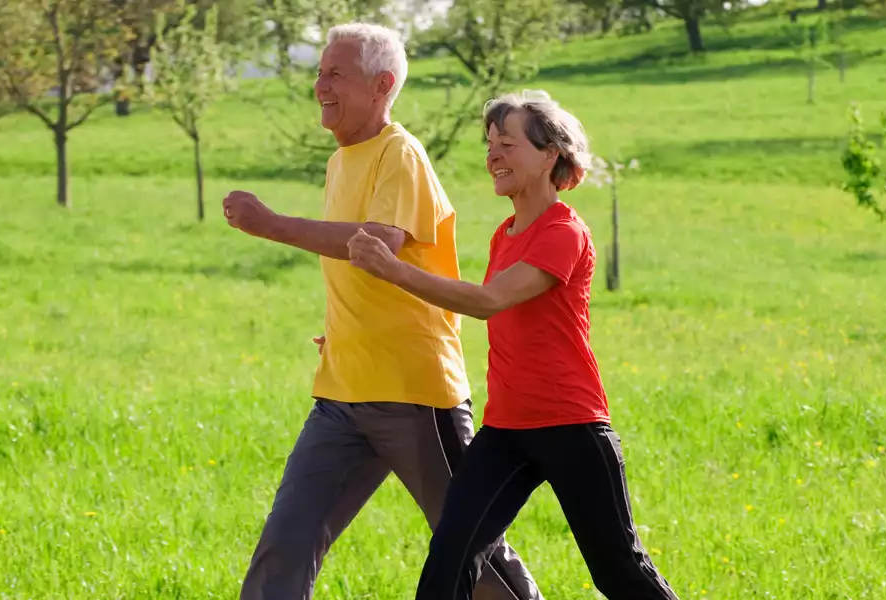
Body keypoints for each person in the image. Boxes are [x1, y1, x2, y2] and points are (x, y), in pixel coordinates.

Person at [221, 23, 543, 600]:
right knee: (286, 544)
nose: (320, 84)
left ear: (382, 85)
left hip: (415, 393)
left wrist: (270, 224)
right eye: (320, 72)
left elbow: (377, 243)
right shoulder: (340, 161)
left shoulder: (401, 153)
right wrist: (346, 329)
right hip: (342, 391)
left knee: (472, 548)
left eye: (336, 73)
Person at [347, 90, 682, 600]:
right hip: (505, 431)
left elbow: (487, 301)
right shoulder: (505, 234)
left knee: (619, 570)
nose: (493, 156)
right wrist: (361, 331)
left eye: (507, 143)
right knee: (450, 559)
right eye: (489, 145)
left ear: (551, 153)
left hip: (571, 425)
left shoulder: (564, 231)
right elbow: (469, 302)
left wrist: (393, 269)